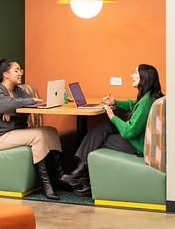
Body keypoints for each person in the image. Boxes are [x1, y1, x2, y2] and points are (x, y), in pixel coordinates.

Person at [61, 64, 164, 197]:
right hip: (138, 141)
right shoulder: (148, 97)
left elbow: (128, 132)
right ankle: (80, 175)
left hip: (137, 146)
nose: (131, 75)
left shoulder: (146, 103)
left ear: (144, 77)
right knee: (103, 128)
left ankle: (82, 177)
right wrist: (115, 102)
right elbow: (133, 105)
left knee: (99, 138)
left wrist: (112, 116)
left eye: (135, 73)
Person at [0, 59, 65, 200]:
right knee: (38, 135)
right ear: (6, 74)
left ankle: (60, 177)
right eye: (16, 70)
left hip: (13, 133)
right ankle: (46, 185)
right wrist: (11, 106)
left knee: (51, 131)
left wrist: (12, 108)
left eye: (20, 70)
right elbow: (23, 102)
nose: (20, 73)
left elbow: (26, 103)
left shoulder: (17, 91)